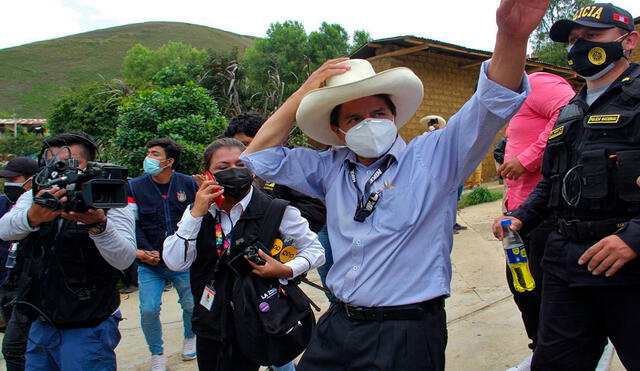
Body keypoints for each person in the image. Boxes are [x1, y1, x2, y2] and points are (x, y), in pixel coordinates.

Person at [241, 1, 547, 369]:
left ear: (395, 117)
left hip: (407, 332)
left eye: (378, 113)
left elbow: (491, 100)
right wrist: (304, 92)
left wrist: (512, 36)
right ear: (338, 132)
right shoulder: (330, 168)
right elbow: (257, 157)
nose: (368, 123)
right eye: (353, 118)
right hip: (339, 325)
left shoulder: (436, 158)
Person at [492, 3, 640, 370]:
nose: (578, 46)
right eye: (574, 39)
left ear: (629, 40)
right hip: (565, 263)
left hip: (629, 265)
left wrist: (634, 237)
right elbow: (554, 181)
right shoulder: (570, 110)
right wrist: (521, 217)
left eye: (592, 36)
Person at [162, 138, 325, 371]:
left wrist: (287, 269)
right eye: (222, 167)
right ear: (208, 174)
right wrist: (196, 213)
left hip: (256, 318)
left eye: (241, 164)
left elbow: (315, 250)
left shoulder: (275, 209)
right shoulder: (198, 213)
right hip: (210, 320)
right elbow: (175, 262)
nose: (234, 172)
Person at [0, 131, 136, 370]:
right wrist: (33, 217)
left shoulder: (109, 195)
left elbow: (124, 259)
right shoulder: (35, 194)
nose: (58, 172)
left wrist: (98, 225)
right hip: (40, 320)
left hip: (88, 324)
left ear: (88, 165)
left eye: (68, 164)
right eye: (52, 164)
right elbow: (5, 230)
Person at [495, 72, 575, 371]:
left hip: (545, 210)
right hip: (518, 215)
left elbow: (569, 116)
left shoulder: (540, 83)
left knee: (546, 290)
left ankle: (563, 352)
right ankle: (541, 349)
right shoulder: (515, 101)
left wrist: (527, 158)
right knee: (523, 287)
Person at [226, 112, 333, 307]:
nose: (244, 154)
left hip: (289, 247)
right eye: (238, 146)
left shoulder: (286, 165)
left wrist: (279, 237)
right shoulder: (228, 174)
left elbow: (315, 209)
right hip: (244, 258)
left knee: (333, 292)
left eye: (248, 144)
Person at [127, 138, 198, 370]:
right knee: (148, 308)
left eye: (154, 154)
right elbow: (132, 223)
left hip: (184, 260)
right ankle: (157, 353)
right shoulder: (134, 187)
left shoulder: (188, 184)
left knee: (190, 304)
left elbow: (199, 218)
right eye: (148, 153)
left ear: (169, 161)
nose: (148, 158)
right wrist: (145, 251)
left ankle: (190, 337)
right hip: (150, 262)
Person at [0, 157, 38, 371]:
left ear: (31, 181)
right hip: (6, 284)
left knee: (14, 348)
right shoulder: (2, 205)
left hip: (27, 288)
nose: (8, 184)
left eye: (14, 179)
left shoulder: (43, 209)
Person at [420, 115, 468, 234]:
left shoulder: (445, 136)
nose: (433, 125)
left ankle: (452, 223)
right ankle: (443, 226)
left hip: (452, 171)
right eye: (431, 123)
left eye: (435, 123)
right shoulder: (425, 138)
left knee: (454, 199)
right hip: (436, 174)